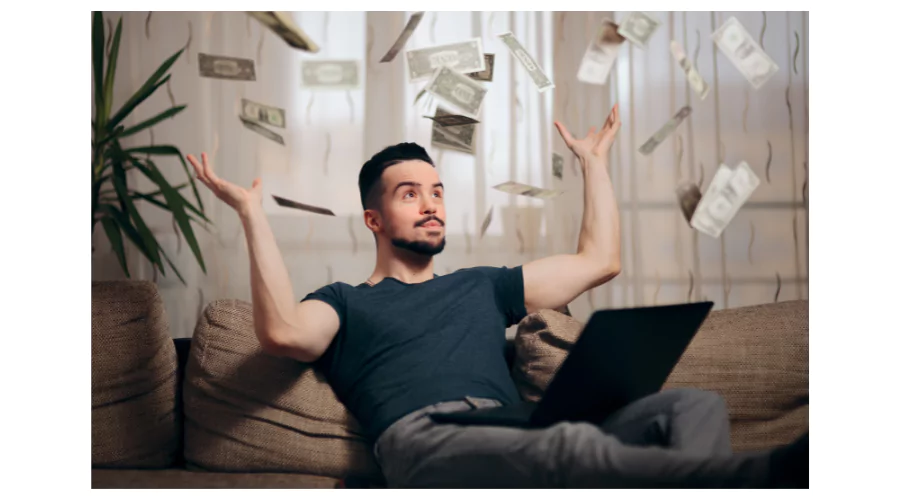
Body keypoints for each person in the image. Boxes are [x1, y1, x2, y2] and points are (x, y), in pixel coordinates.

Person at [186, 104, 807, 488]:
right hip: (425, 440)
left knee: (693, 407)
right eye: (409, 194)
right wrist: (251, 214)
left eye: (437, 190)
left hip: (521, 429)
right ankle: (770, 477)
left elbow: (600, 261)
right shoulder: (346, 301)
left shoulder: (483, 284)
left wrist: (593, 163)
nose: (431, 203)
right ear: (373, 219)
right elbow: (284, 334)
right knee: (572, 446)